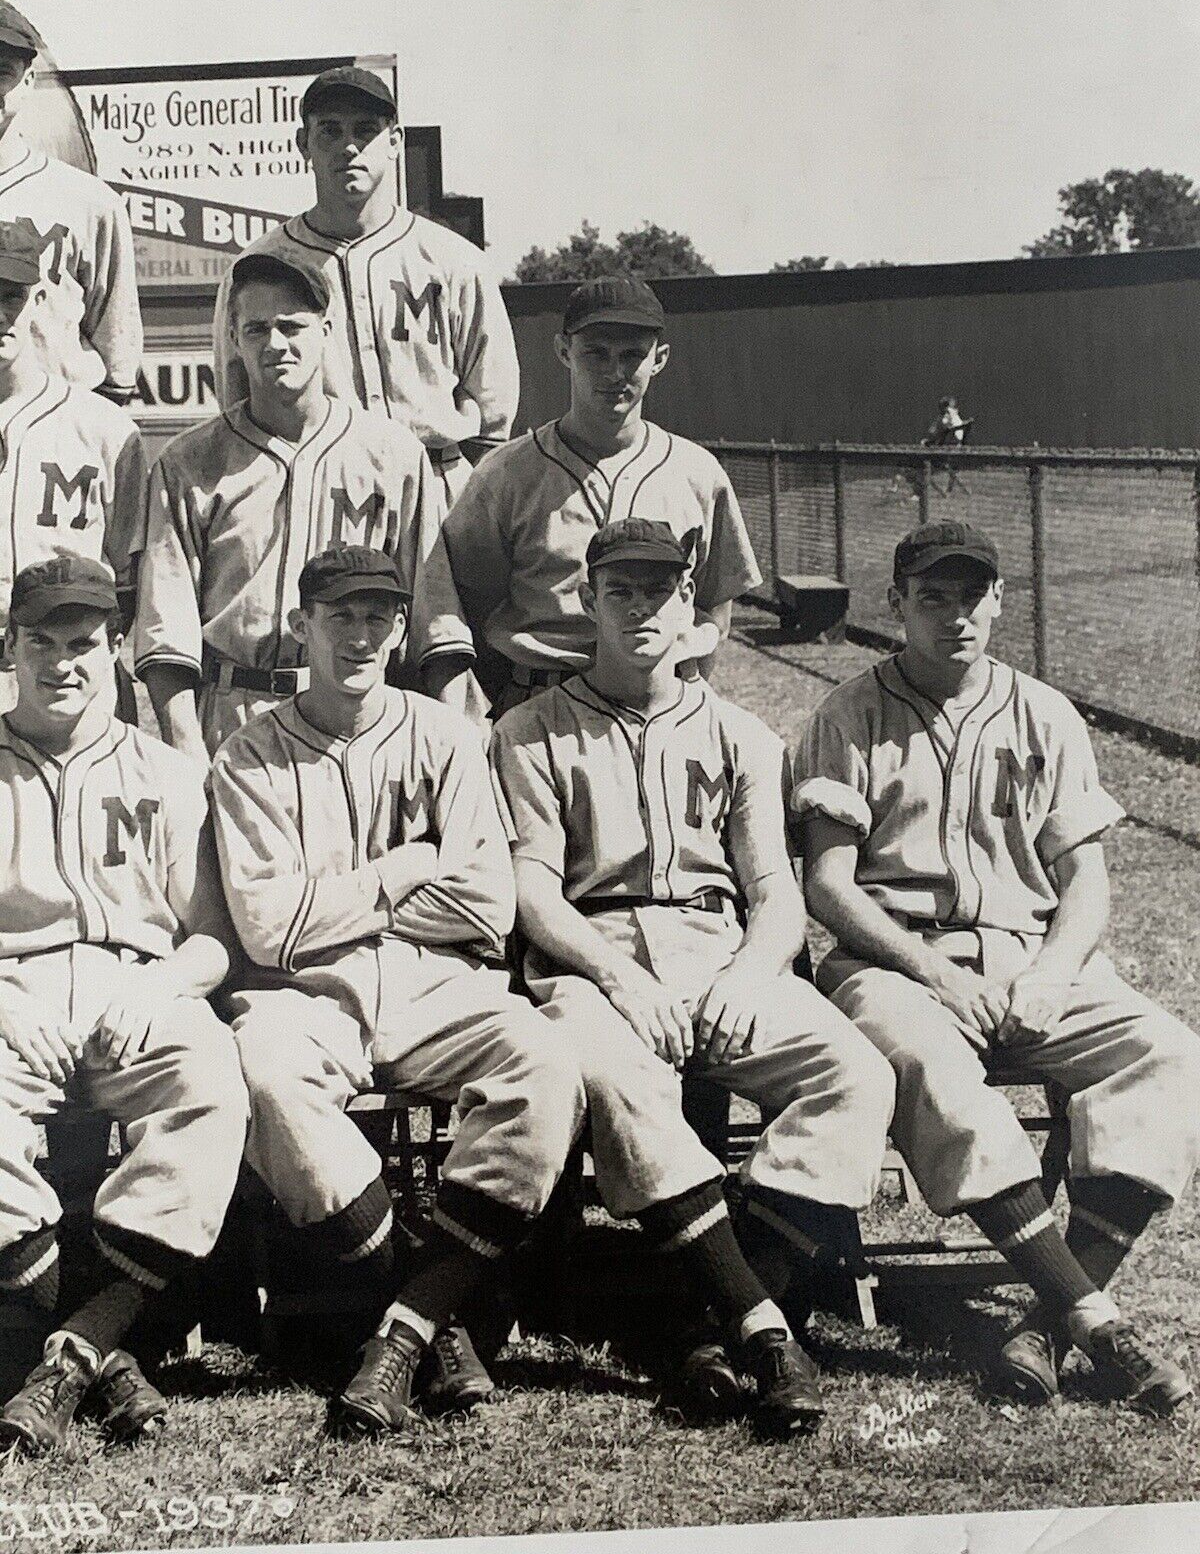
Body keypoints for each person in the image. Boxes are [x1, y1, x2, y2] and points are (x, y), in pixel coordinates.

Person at [490, 518, 895, 1436]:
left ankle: (703, 1322)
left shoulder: (744, 734)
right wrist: (621, 981)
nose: (642, 607)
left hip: (721, 956)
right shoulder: (529, 731)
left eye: (663, 589)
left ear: (691, 607)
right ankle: (762, 1329)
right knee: (622, 1080)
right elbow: (533, 894)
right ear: (587, 600)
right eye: (621, 590)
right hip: (592, 962)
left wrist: (752, 977)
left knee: (856, 1075)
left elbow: (773, 892)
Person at [793, 519, 1200, 1414]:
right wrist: (937, 977)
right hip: (892, 959)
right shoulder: (847, 714)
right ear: (896, 605)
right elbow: (827, 885)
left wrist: (1053, 975)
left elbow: (1084, 879)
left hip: (1031, 959)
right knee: (934, 1069)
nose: (955, 616)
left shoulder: (1044, 712)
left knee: (1170, 1056)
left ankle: (1046, 1323)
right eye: (931, 598)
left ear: (1000, 601)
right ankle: (1097, 1322)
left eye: (972, 596)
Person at [208, 545, 585, 1434]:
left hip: (437, 985)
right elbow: (269, 932)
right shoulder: (248, 756)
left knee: (544, 1062)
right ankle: (428, 1313)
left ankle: (402, 1330)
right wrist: (405, 870)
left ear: (404, 628)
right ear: (301, 626)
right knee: (265, 1082)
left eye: (380, 615)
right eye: (340, 615)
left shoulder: (449, 738)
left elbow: (487, 906)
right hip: (307, 997)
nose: (362, 634)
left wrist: (334, 901)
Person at [0, 555, 247, 1454]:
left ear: (113, 651)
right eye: (41, 643)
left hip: (134, 989)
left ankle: (73, 1349)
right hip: (10, 996)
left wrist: (165, 982)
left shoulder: (165, 769)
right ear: (11, 648)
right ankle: (100, 1353)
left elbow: (213, 938)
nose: (62, 663)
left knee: (213, 1088)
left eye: (83, 643)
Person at [133, 251, 469, 761]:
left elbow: (435, 623)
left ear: (326, 330)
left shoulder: (394, 455)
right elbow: (166, 634)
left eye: (292, 326)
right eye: (256, 329)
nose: (275, 344)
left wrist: (452, 743)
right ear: (233, 340)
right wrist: (185, 747)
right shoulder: (189, 462)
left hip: (363, 715)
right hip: (235, 713)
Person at [420, 276, 763, 718]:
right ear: (564, 351)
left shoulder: (697, 473)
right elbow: (472, 607)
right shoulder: (506, 474)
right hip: (542, 701)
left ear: (659, 359)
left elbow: (714, 607)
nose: (614, 373)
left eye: (632, 355)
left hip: (664, 701)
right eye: (596, 353)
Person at [212, 66, 519, 506]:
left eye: (365, 131)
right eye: (330, 132)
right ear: (304, 145)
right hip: (315, 485)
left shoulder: (454, 260)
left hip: (438, 480)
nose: (349, 146)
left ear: (395, 143)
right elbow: (237, 399)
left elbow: (493, 410)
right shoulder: (261, 266)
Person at [0, 217, 146, 714]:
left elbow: (131, 574)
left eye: (9, 296)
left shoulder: (104, 428)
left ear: (39, 300)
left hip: (69, 676)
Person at [0, 2, 141, 402]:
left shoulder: (89, 202)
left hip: (59, 427)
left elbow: (118, 355)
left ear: (27, 82)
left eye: (2, 72)